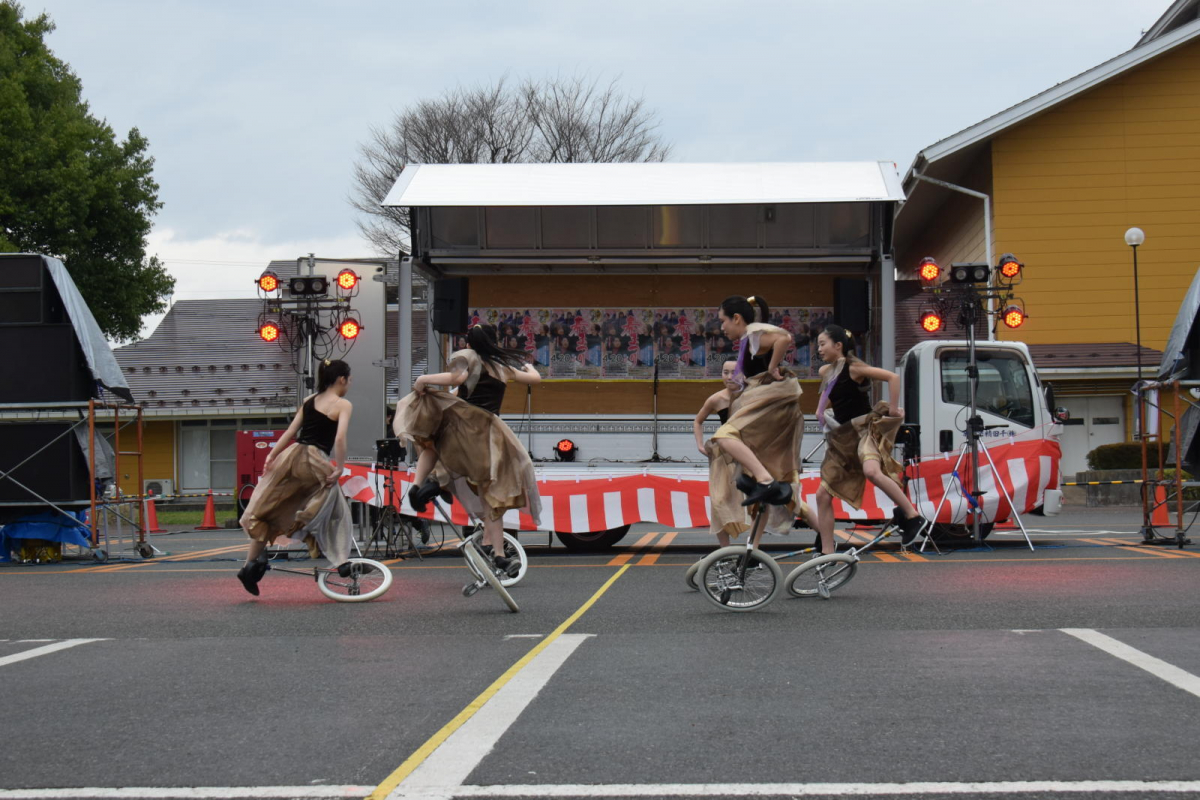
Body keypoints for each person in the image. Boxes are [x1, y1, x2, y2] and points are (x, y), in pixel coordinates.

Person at [394, 323, 542, 577]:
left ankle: (424, 484)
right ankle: (498, 554)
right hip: (489, 434)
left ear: (470, 344)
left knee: (432, 442)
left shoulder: (469, 358)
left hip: (463, 427)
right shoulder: (502, 368)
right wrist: (529, 368)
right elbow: (535, 379)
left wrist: (423, 379)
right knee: (490, 496)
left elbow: (457, 380)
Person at [236, 359, 354, 596]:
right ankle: (341, 560)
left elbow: (291, 431)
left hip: (293, 456)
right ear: (341, 379)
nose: (349, 384)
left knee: (271, 509)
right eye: (349, 380)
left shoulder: (309, 400)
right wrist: (339, 468)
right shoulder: (343, 404)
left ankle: (249, 566)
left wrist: (271, 455)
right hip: (315, 459)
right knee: (336, 509)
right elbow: (340, 438)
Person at [812, 324, 926, 552]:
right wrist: (820, 410)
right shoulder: (826, 371)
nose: (819, 349)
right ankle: (826, 550)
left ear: (838, 345)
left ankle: (913, 516)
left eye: (823, 344)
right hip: (844, 436)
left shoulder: (855, 368)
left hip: (865, 430)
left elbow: (893, 377)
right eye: (818, 345)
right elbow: (829, 391)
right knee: (822, 495)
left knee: (872, 471)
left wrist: (893, 409)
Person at [709, 295, 809, 538]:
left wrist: (773, 366)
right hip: (764, 403)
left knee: (724, 435)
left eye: (723, 321)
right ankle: (763, 481)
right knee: (736, 445)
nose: (722, 327)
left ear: (736, 318)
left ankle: (764, 479)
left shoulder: (753, 332)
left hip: (770, 404)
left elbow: (784, 338)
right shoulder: (748, 339)